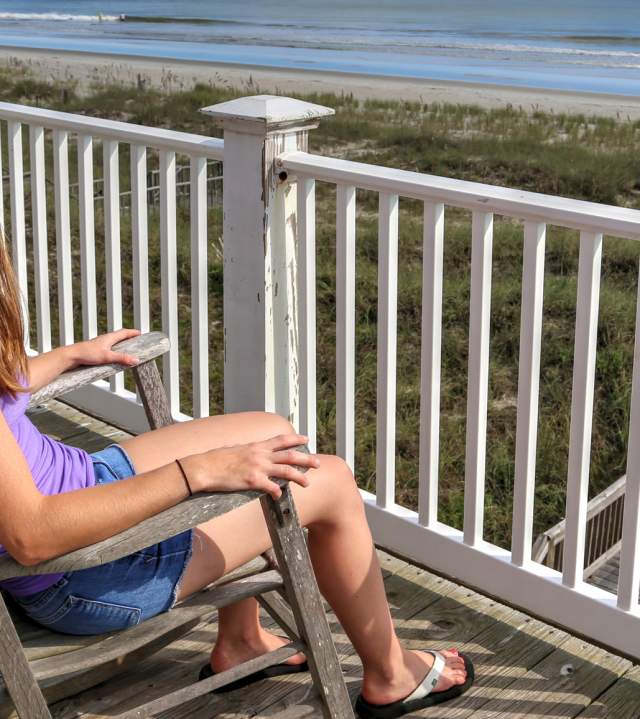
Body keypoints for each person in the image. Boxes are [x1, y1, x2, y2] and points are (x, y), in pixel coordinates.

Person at [0, 237, 472, 716]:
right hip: (86, 571)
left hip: (88, 486)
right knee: (329, 481)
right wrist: (196, 473)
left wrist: (67, 356)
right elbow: (33, 537)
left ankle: (242, 641)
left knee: (273, 433)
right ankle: (392, 676)